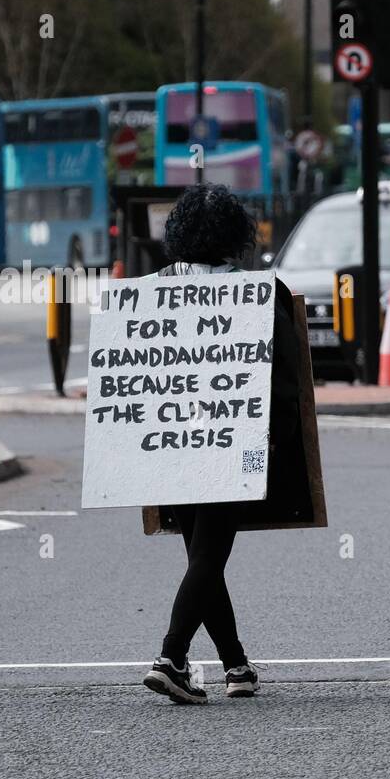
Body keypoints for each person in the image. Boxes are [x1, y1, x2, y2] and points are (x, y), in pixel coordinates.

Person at [141, 184, 281, 704]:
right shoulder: (255, 293)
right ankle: (171, 657)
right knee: (209, 557)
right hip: (231, 440)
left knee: (203, 556)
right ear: (234, 234)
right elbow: (283, 382)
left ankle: (237, 666)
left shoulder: (151, 292)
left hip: (169, 441)